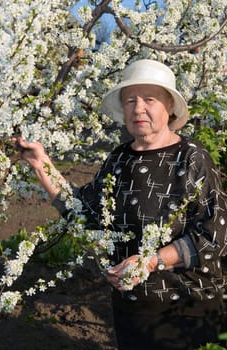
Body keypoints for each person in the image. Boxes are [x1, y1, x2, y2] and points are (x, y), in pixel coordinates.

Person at [13, 59, 227, 350]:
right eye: (130, 100)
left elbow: (213, 236)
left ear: (170, 107)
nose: (138, 108)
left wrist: (152, 261)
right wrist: (41, 165)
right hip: (132, 309)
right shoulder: (119, 159)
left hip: (186, 312)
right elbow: (85, 213)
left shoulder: (192, 158)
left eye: (149, 99)